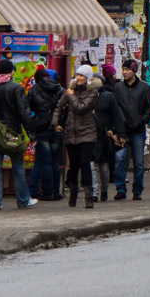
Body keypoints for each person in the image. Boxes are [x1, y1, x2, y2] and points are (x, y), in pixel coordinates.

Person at [0, 58, 38, 210]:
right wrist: (32, 135)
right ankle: (23, 200)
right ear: (11, 71)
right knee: (18, 167)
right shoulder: (16, 89)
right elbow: (24, 113)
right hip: (12, 133)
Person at [53, 64, 98, 208]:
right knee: (73, 166)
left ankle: (89, 196)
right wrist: (55, 123)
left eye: (82, 76)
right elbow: (59, 106)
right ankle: (73, 194)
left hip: (87, 133)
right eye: (77, 75)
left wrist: (71, 95)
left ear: (88, 78)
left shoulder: (92, 92)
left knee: (85, 164)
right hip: (71, 133)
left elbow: (81, 108)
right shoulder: (70, 91)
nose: (78, 78)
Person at [111, 58, 150, 201]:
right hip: (122, 130)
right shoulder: (118, 88)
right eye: (123, 69)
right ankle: (121, 189)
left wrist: (142, 120)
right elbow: (115, 108)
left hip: (137, 130)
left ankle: (137, 190)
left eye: (127, 69)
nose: (124, 72)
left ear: (134, 71)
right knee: (119, 160)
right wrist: (117, 127)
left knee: (139, 162)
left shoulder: (144, 88)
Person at [27, 68, 65, 201]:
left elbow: (28, 110)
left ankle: (48, 192)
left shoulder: (34, 90)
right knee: (54, 161)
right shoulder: (60, 89)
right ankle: (56, 191)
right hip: (57, 128)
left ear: (36, 79)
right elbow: (66, 108)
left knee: (46, 162)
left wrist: (32, 126)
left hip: (42, 129)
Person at [90, 74, 124, 202]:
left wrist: (120, 133)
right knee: (91, 165)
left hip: (104, 137)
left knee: (103, 167)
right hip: (91, 135)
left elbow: (117, 116)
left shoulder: (108, 97)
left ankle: (103, 190)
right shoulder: (87, 98)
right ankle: (94, 191)